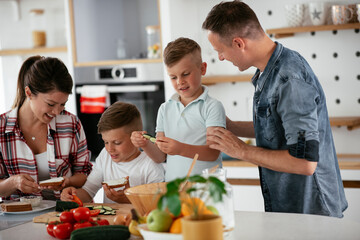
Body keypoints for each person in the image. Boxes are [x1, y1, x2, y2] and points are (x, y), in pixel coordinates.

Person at [203, 1, 347, 218]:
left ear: (239, 43)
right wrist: (231, 127)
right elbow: (277, 127)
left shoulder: (290, 79)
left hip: (312, 212)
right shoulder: (269, 71)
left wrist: (241, 150)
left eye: (220, 51)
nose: (221, 57)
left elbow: (305, 162)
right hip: (290, 209)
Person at [131, 37, 226, 182]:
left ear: (202, 69)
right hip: (175, 191)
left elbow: (213, 152)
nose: (180, 82)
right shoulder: (165, 109)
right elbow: (160, 156)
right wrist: (145, 144)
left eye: (185, 74)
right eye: (173, 77)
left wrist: (180, 149)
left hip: (207, 191)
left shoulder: (212, 106)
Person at [0, 56, 92, 200]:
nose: (56, 112)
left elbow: (84, 174)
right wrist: (13, 182)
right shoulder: (2, 128)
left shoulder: (71, 124)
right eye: (50, 104)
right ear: (29, 93)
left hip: (65, 214)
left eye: (62, 104)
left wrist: (68, 183)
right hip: (17, 217)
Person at [61, 101, 165, 203]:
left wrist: (127, 200)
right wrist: (72, 195)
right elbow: (88, 192)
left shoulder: (151, 165)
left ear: (135, 138)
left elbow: (157, 205)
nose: (110, 149)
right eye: (106, 142)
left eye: (117, 142)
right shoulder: (105, 156)